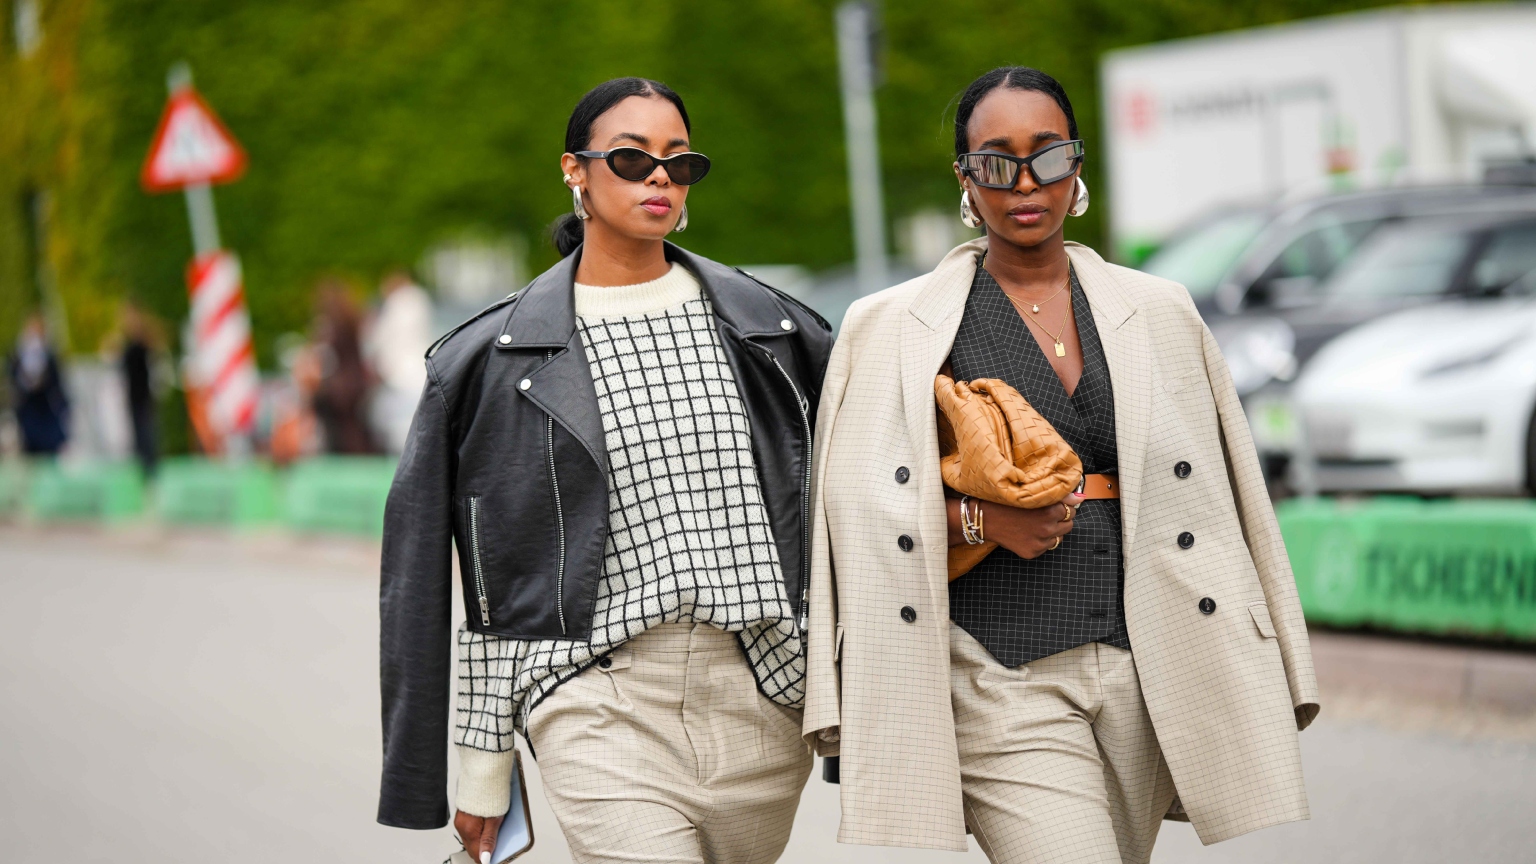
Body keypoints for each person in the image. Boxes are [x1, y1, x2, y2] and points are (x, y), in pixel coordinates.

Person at [803, 67, 1319, 863]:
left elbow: (1229, 496)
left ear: (1078, 166)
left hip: (1151, 658)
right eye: (994, 161)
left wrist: (1276, 645)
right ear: (965, 180)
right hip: (992, 673)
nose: (1023, 183)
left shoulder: (1160, 310)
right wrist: (981, 518)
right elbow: (853, 515)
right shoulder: (891, 327)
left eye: (1047, 155)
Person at [377, 77, 833, 864]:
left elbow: (855, 513)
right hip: (594, 698)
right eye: (630, 157)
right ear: (574, 170)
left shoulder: (776, 332)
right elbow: (477, 579)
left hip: (762, 696)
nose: (659, 176)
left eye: (679, 162)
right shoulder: (490, 361)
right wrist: (481, 773)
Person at [365, 270, 434, 454]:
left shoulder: (398, 304)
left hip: (400, 376)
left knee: (400, 433)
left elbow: (379, 338)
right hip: (417, 371)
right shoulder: (418, 300)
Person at [311, 281, 378, 454]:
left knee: (344, 431)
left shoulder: (336, 324)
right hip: (356, 383)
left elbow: (327, 353)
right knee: (355, 428)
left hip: (341, 386)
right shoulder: (352, 320)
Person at [7, 314, 69, 456]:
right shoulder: (17, 356)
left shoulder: (50, 357)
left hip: (48, 417)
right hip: (29, 418)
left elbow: (57, 386)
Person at [119, 301, 159, 476]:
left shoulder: (142, 343)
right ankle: (143, 469)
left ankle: (150, 470)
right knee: (139, 434)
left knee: (146, 434)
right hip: (134, 395)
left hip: (143, 394)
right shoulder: (130, 344)